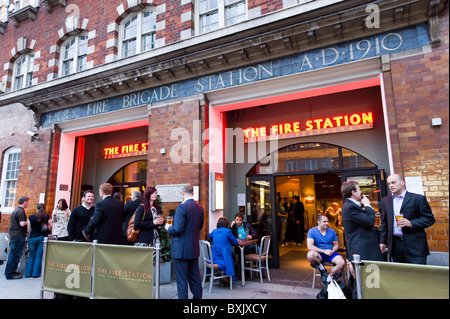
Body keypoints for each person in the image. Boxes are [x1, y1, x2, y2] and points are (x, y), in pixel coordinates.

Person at [379, 174, 435, 264]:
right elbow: (385, 223)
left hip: (415, 245)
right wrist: (382, 241)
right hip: (395, 245)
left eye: (393, 182)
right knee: (401, 275)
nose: (391, 186)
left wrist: (411, 223)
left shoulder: (418, 199)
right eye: (389, 183)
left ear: (402, 183)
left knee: (418, 275)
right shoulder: (385, 200)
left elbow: (429, 219)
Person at [165, 185, 204, 299]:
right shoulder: (200, 208)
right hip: (193, 248)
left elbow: (177, 229)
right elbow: (200, 226)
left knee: (182, 280)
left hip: (181, 250)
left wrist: (168, 228)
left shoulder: (182, 207)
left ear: (182, 193)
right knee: (195, 278)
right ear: (192, 193)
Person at [341, 180, 383, 262]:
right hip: (362, 249)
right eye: (359, 189)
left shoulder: (352, 206)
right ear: (353, 192)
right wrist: (367, 205)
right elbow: (369, 221)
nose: (361, 192)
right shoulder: (350, 207)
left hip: (364, 248)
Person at [307, 215, 346, 283]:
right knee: (310, 255)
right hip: (319, 254)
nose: (327, 223)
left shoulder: (332, 231)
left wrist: (332, 251)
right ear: (318, 222)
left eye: (327, 221)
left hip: (330, 253)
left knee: (342, 262)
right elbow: (310, 246)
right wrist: (324, 251)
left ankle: (329, 277)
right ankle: (322, 269)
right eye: (324, 221)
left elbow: (336, 245)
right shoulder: (312, 231)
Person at [208, 217, 239, 284]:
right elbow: (235, 242)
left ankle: (223, 276)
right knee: (232, 259)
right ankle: (227, 277)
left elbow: (209, 237)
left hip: (213, 258)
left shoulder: (214, 231)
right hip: (224, 258)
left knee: (231, 257)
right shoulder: (228, 232)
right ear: (226, 224)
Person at [5, 196, 29, 279]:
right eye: (27, 202)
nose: (28, 204)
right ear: (25, 202)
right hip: (18, 235)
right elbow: (22, 223)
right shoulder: (21, 211)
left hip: (14, 235)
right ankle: (11, 273)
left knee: (12, 254)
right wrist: (28, 221)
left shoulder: (15, 210)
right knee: (15, 255)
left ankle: (8, 272)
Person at [25, 203, 52, 278]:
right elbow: (51, 225)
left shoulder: (30, 217)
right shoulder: (46, 216)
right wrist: (48, 228)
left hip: (32, 237)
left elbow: (29, 229)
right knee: (38, 256)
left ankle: (27, 274)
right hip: (42, 237)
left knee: (31, 256)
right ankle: (36, 274)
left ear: (36, 209)